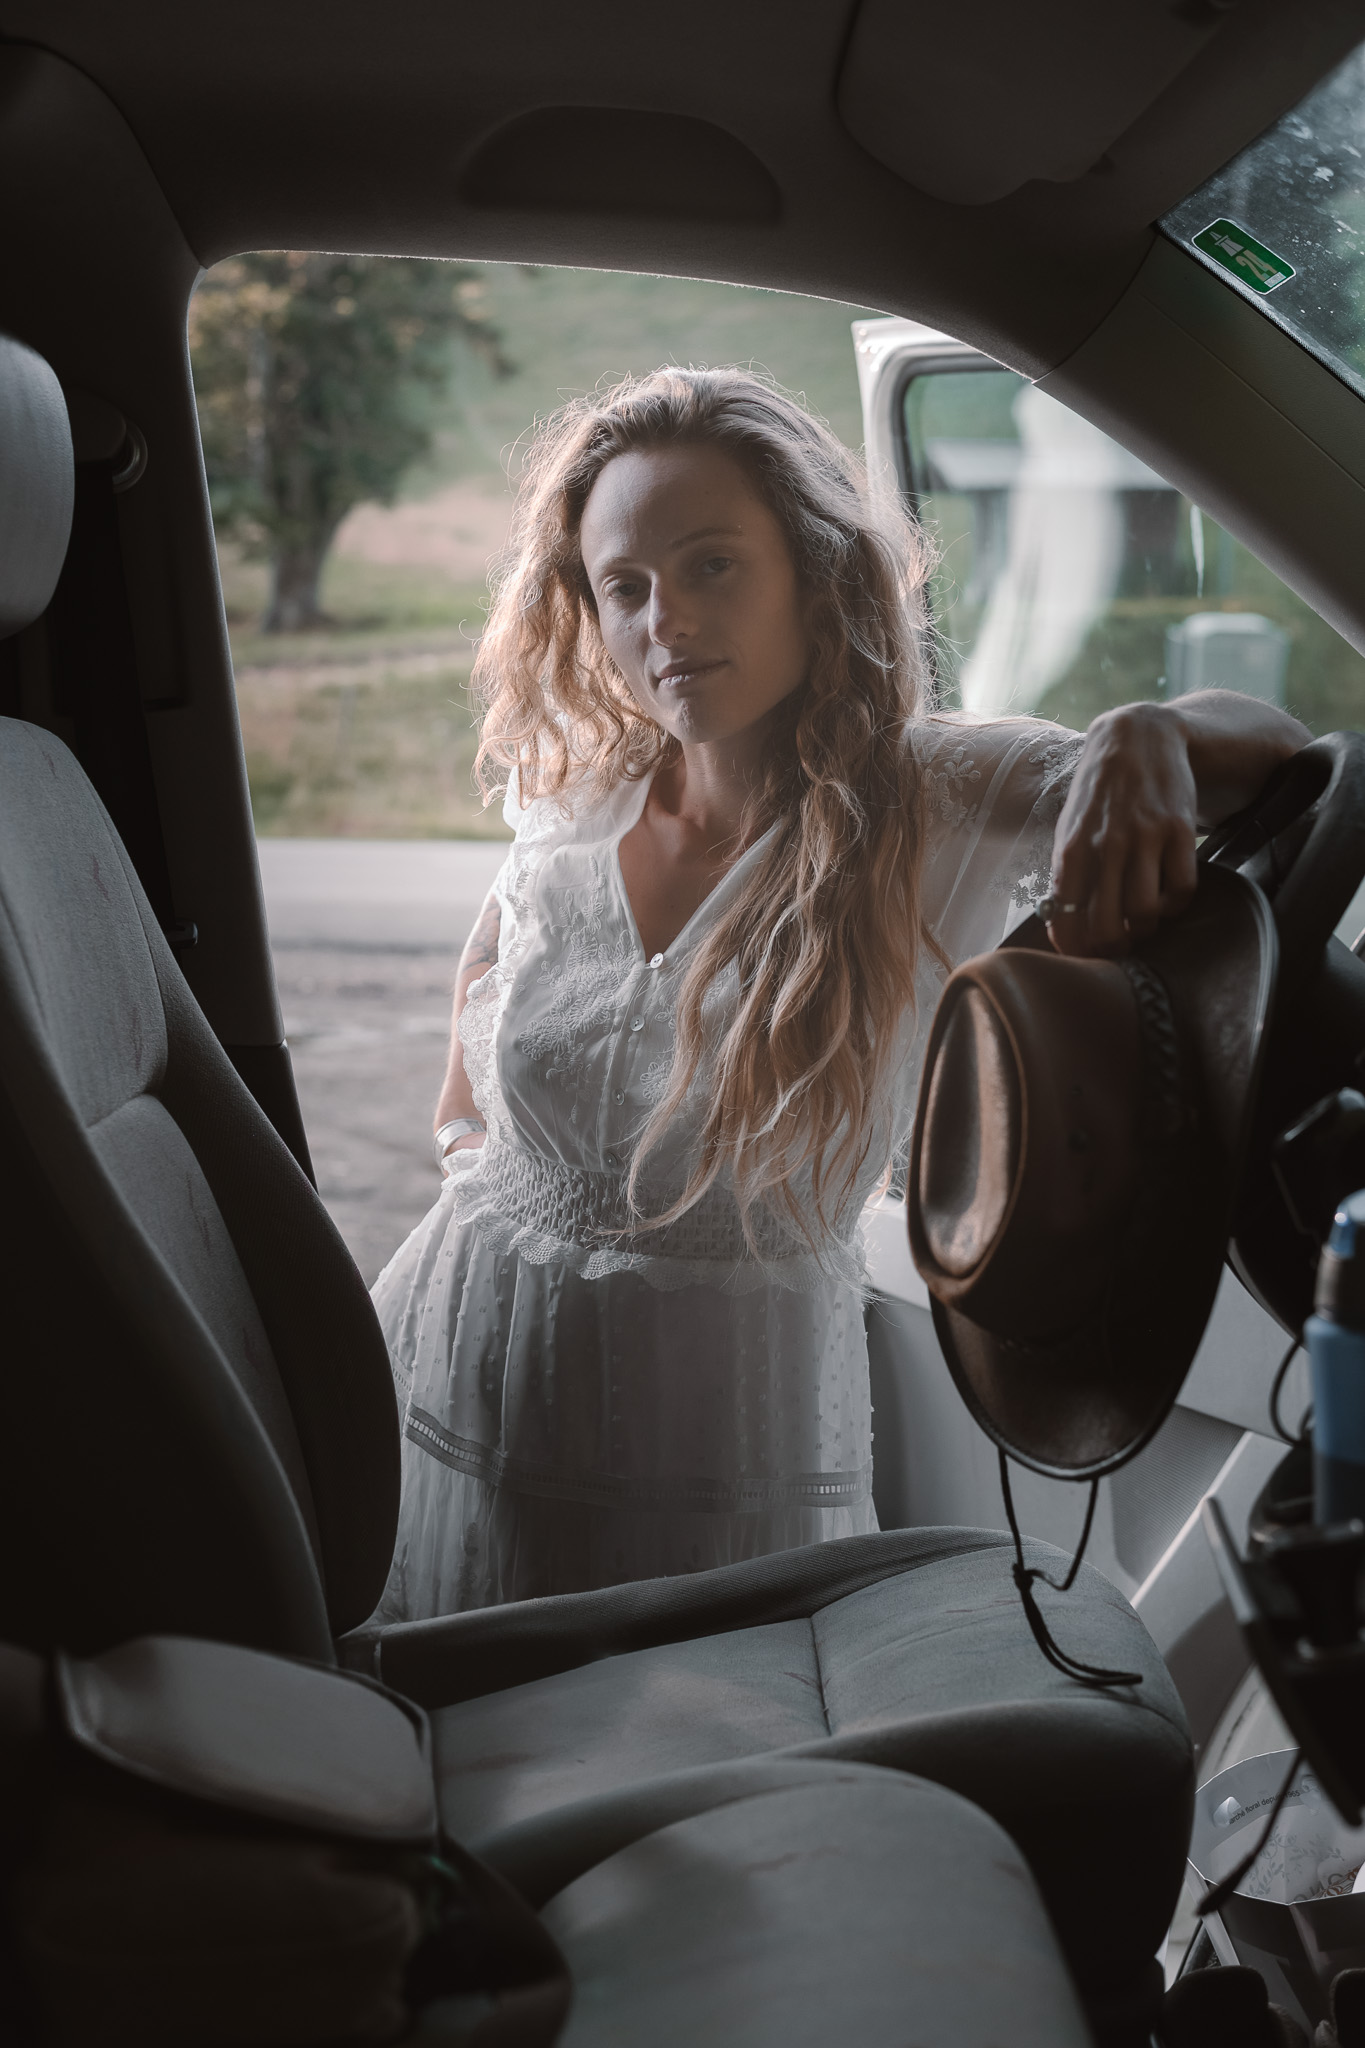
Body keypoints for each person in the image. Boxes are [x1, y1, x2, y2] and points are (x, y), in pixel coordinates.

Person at [371, 366, 1308, 1621]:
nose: (665, 623)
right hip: (459, 1395)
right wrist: (507, 1216)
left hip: (724, 1451)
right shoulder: (573, 802)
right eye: (624, 588)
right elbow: (471, 1075)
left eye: (712, 565)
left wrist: (1151, 730)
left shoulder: (937, 802)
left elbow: (1285, 757)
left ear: (815, 572)